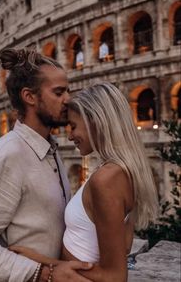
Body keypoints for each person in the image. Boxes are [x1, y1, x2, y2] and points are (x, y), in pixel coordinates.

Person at [0, 48, 93, 282]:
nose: (68, 99)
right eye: (58, 92)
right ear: (30, 97)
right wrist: (45, 274)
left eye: (68, 90)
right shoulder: (7, 156)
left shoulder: (49, 148)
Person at [10, 82, 158, 282]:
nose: (70, 136)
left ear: (95, 122)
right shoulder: (124, 171)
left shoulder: (107, 179)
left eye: (73, 126)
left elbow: (115, 276)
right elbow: (123, 248)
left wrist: (40, 262)